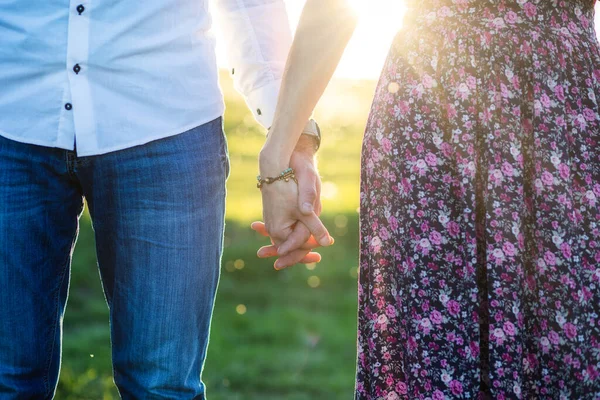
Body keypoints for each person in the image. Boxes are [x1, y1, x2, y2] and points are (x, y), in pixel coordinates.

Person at [256, 0, 600, 398]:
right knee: (437, 349)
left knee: (567, 335)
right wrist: (278, 158)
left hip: (560, 119)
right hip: (434, 126)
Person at [0, 0, 327, 397]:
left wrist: (289, 136)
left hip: (167, 124)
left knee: (161, 388)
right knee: (7, 379)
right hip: (11, 115)